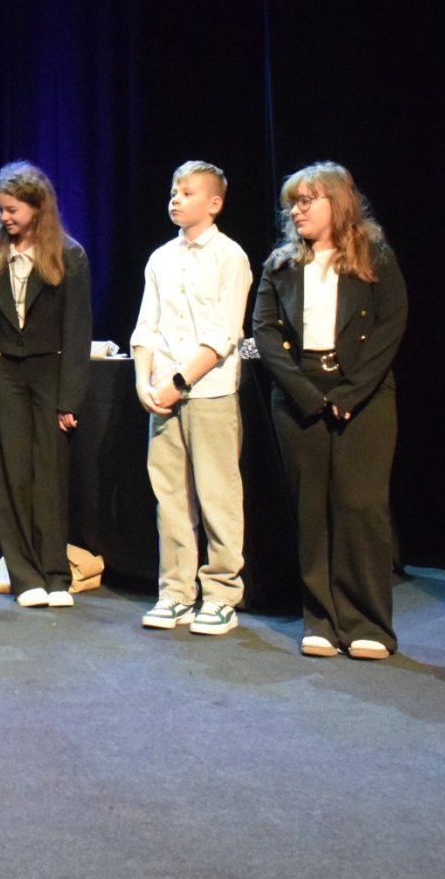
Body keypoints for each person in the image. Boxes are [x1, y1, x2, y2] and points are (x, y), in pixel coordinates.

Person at [252, 161, 407, 660]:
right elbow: (265, 333)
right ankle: (320, 620)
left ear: (336, 204)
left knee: (361, 507)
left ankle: (368, 624)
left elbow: (390, 325)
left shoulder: (374, 257)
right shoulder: (280, 265)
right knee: (311, 510)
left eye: (307, 201)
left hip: (363, 394)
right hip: (300, 394)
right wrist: (304, 394)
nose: (296, 211)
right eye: (292, 204)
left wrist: (348, 395)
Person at [129, 161, 253, 636]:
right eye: (173, 191)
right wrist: (144, 381)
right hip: (162, 393)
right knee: (170, 496)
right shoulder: (161, 258)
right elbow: (146, 326)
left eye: (187, 192)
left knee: (218, 494)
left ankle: (221, 594)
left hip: (208, 392)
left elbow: (224, 333)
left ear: (214, 203)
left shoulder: (230, 256)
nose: (175, 199)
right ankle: (176, 592)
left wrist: (178, 381)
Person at [0, 162, 92, 609]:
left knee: (49, 476)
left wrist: (69, 399)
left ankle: (56, 575)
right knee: (14, 475)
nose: (4, 217)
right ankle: (25, 577)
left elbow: (77, 332)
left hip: (49, 373)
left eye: (12, 209)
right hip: (8, 376)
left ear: (37, 208)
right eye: (0, 210)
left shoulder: (68, 255)